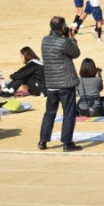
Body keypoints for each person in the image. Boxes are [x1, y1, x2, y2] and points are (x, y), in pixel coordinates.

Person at [38, 16, 82, 152]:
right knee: (69, 113)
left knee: (50, 112)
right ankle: (67, 142)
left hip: (51, 83)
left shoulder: (44, 40)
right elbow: (76, 53)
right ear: (62, 28)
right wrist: (72, 38)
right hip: (65, 83)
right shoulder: (64, 42)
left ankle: (43, 140)